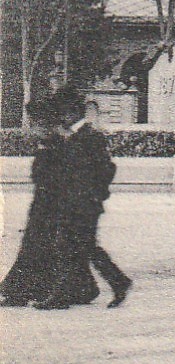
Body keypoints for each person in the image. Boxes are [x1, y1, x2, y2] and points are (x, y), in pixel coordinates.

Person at [36, 90, 131, 310]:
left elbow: (107, 168)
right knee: (81, 247)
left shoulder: (90, 136)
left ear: (72, 113)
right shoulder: (71, 136)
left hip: (85, 203)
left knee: (70, 245)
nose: (60, 117)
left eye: (63, 112)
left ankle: (62, 296)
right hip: (72, 202)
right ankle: (117, 282)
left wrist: (97, 194)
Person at [0, 97, 66, 307]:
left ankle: (21, 292)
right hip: (43, 205)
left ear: (44, 123)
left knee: (37, 249)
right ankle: (27, 291)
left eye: (34, 122)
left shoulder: (55, 144)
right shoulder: (50, 143)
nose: (32, 127)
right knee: (36, 249)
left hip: (49, 207)